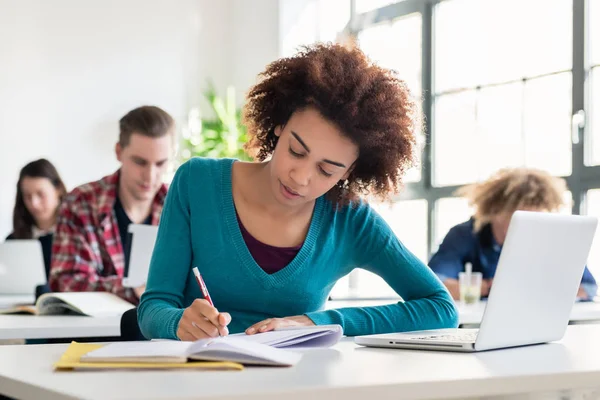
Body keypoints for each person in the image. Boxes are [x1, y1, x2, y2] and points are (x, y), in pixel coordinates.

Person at [138, 43, 459, 341]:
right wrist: (178, 323)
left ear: (350, 171)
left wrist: (317, 322)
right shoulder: (197, 183)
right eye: (296, 150)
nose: (301, 177)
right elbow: (153, 308)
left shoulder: (351, 220)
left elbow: (440, 307)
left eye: (326, 170)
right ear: (278, 126)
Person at [49, 105, 174, 304]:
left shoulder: (180, 206)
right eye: (140, 162)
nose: (150, 176)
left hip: (162, 332)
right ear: (119, 152)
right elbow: (67, 282)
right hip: (94, 333)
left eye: (160, 164)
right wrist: (132, 289)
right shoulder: (80, 203)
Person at [429, 167, 598, 301]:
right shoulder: (464, 235)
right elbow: (435, 285)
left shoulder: (547, 237)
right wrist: (491, 287)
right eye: (521, 217)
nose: (530, 228)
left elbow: (588, 288)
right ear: (495, 210)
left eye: (536, 219)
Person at [6, 159, 66, 298]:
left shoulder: (77, 236)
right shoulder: (13, 242)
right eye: (27, 196)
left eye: (41, 194)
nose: (34, 203)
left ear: (58, 190)